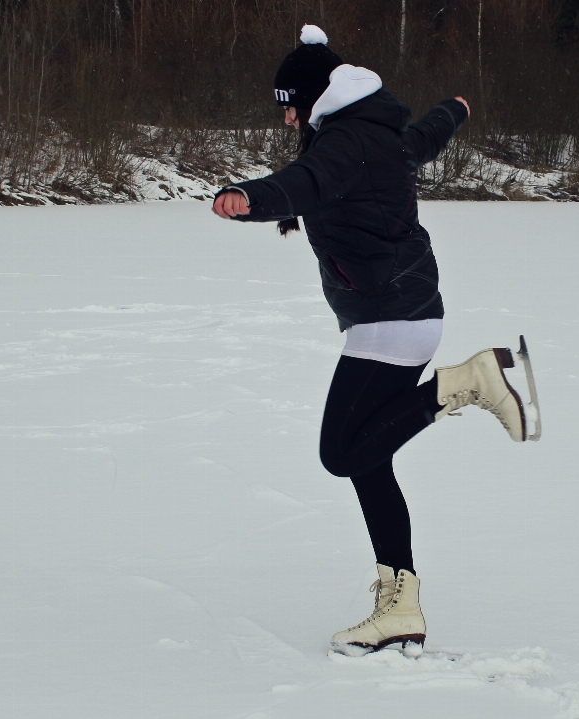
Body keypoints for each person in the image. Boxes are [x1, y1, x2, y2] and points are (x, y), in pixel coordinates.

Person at [212, 24, 534, 657]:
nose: (286, 119)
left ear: (314, 98)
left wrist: (248, 198)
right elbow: (425, 137)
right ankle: (400, 605)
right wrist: (455, 110)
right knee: (369, 461)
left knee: (341, 452)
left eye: (289, 105)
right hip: (403, 311)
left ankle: (465, 384)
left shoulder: (343, 146)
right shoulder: (376, 134)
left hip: (391, 317)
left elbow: (298, 186)